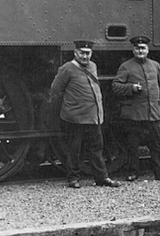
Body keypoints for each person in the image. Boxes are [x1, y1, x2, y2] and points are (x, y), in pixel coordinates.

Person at [49, 40, 121, 189]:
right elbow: (55, 90)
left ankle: (102, 178)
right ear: (75, 53)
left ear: (91, 54)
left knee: (96, 149)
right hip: (75, 117)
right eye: (82, 53)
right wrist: (70, 106)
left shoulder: (93, 66)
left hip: (93, 116)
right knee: (74, 150)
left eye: (87, 53)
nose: (85, 56)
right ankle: (73, 179)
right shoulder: (67, 69)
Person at [111, 35, 160, 182]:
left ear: (148, 49)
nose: (140, 51)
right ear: (133, 50)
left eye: (143, 48)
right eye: (137, 48)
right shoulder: (126, 66)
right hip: (134, 113)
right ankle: (133, 173)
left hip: (153, 112)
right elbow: (116, 86)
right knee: (133, 145)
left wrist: (154, 95)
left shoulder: (155, 65)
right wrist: (131, 88)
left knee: (156, 145)